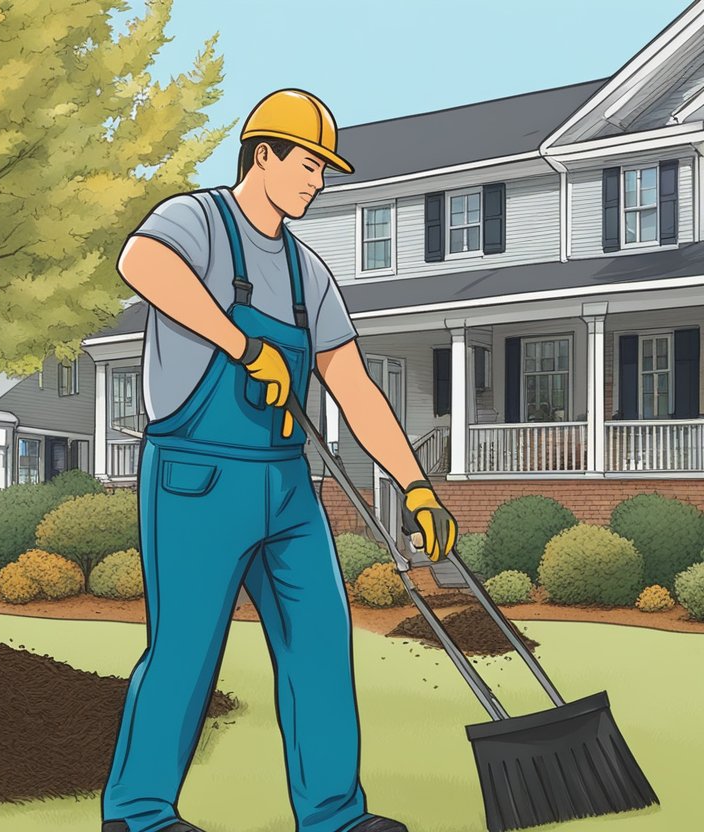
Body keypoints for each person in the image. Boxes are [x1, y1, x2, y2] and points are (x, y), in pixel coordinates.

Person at [99, 89, 458, 832]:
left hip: (288, 483)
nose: (318, 181)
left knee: (320, 642)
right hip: (198, 476)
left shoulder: (305, 272)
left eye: (325, 169)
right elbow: (140, 264)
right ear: (262, 154)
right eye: (308, 163)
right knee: (187, 651)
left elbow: (351, 383)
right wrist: (239, 344)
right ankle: (137, 814)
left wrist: (416, 485)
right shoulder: (198, 220)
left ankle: (334, 815)